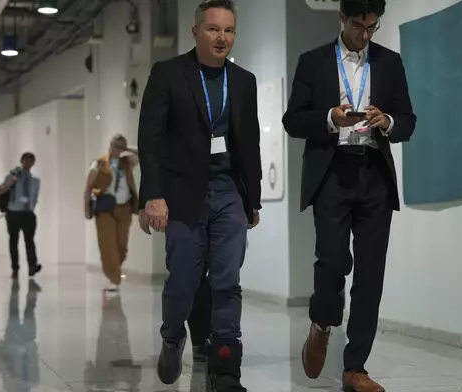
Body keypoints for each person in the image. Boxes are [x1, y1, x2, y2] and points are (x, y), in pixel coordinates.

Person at [282, 0, 416, 391]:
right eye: (359, 25)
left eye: (373, 27)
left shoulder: (389, 63)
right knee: (333, 260)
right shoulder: (313, 61)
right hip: (332, 172)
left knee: (371, 273)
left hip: (375, 173)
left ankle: (355, 366)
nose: (365, 34)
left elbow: (408, 120)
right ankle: (322, 321)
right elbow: (293, 119)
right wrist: (329, 118)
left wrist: (386, 121)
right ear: (342, 18)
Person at [137, 0, 262, 389]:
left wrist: (252, 198)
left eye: (228, 30)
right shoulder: (169, 74)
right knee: (184, 280)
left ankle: (225, 367)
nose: (221, 37)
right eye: (213, 29)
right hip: (182, 195)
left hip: (229, 193)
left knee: (227, 279)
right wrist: (152, 196)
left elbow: (249, 143)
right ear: (196, 32)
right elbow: (150, 139)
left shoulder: (243, 81)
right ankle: (173, 336)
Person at [139, 210, 212, 362]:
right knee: (185, 274)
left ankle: (201, 341)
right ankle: (174, 336)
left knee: (203, 277)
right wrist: (145, 203)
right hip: (183, 207)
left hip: (219, 204)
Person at [84, 134, 139, 292]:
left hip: (124, 208)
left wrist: (127, 148)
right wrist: (86, 207)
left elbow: (144, 151)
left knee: (122, 246)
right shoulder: (99, 163)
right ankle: (114, 279)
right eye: (115, 146)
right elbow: (88, 187)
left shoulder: (127, 162)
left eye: (121, 147)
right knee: (108, 245)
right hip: (105, 208)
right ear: (110, 145)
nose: (117, 149)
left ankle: (114, 272)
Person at [0, 152, 42, 280]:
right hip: (13, 213)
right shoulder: (13, 176)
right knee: (13, 241)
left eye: (30, 161)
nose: (27, 163)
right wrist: (13, 177)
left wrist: (32, 207)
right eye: (25, 160)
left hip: (28, 214)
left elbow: (35, 197)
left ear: (33, 163)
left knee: (30, 241)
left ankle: (32, 266)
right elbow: (4, 189)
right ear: (21, 161)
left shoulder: (35, 181)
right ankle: (15, 268)